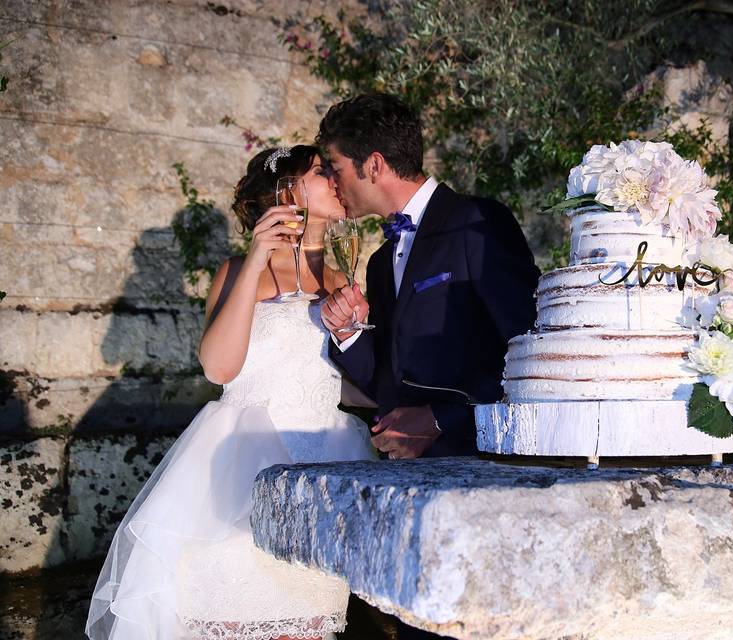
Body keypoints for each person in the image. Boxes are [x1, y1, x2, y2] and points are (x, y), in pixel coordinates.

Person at [86, 145, 376, 640]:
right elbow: (220, 367)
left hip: (325, 468)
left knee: (307, 625)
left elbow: (357, 388)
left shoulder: (342, 279)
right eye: (319, 172)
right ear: (286, 192)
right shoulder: (240, 271)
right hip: (244, 473)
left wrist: (357, 338)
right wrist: (258, 257)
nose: (334, 178)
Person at [320, 93, 540, 461]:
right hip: (409, 476)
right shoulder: (379, 263)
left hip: (481, 463)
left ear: (373, 165)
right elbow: (388, 381)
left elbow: (528, 346)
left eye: (335, 167)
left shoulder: (476, 223)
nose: (332, 181)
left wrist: (441, 419)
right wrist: (347, 334)